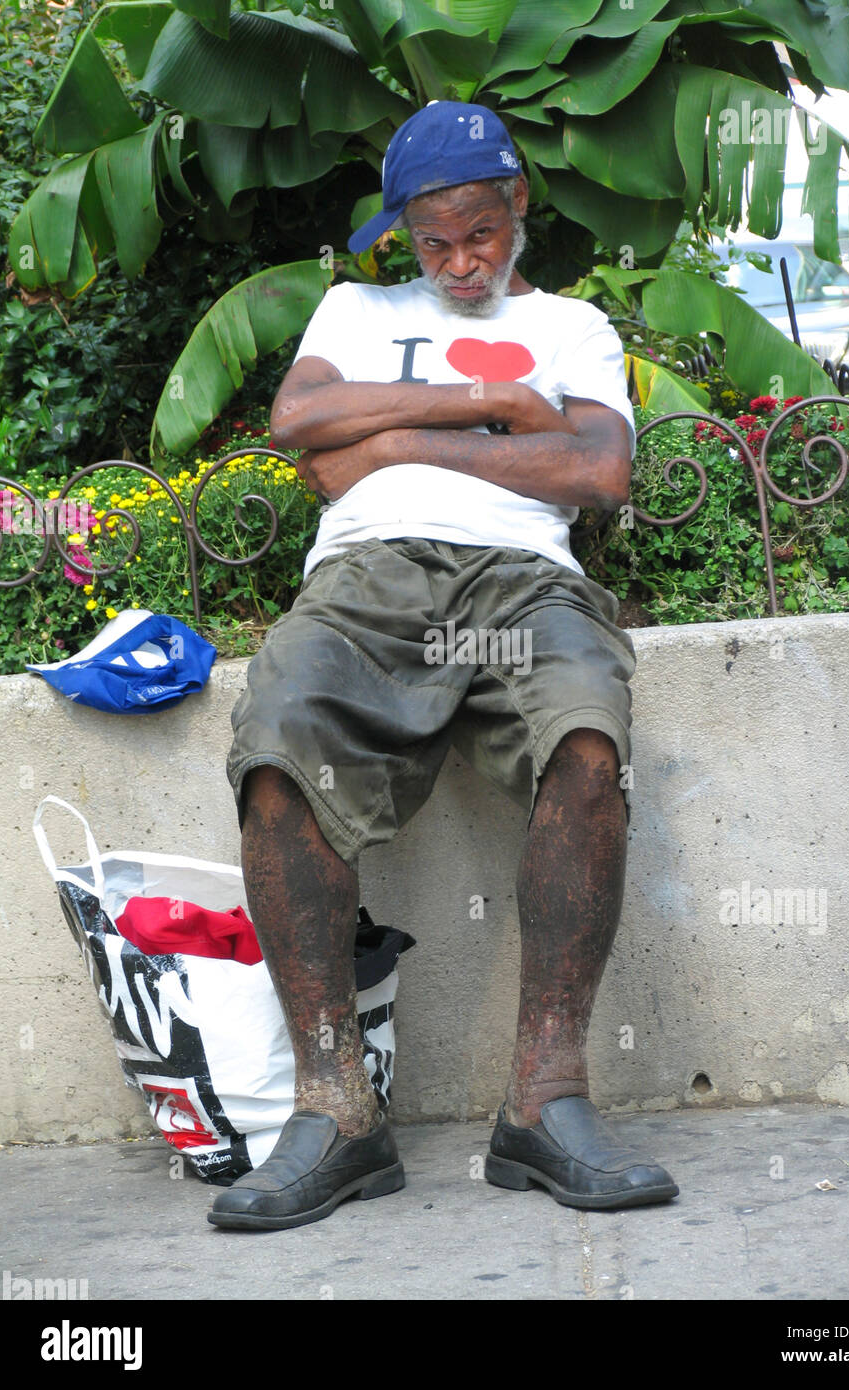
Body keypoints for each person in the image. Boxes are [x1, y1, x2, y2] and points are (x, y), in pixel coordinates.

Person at [208, 101, 679, 1230]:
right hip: (370, 580)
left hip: (523, 582)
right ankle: (335, 1111)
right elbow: (297, 422)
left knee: (584, 740)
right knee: (277, 744)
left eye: (479, 231)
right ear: (402, 233)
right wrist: (490, 412)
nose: (460, 262)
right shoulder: (355, 307)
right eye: (433, 241)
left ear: (517, 204)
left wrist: (383, 443)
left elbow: (599, 471)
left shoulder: (573, 327)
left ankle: (545, 1101)